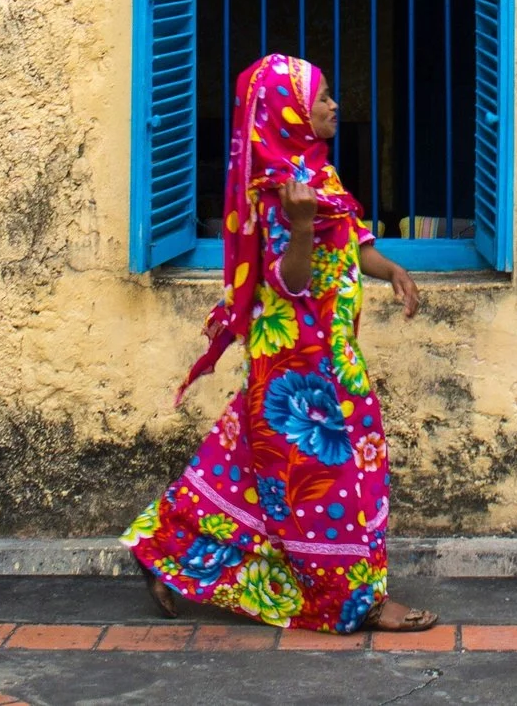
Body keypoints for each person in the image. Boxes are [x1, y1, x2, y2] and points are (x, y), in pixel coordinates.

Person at [124, 53, 440, 632]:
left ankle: (163, 548)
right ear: (287, 110)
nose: (332, 105)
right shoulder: (277, 189)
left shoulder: (318, 172)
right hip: (299, 365)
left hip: (332, 349)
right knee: (336, 477)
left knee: (245, 462)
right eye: (320, 97)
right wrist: (298, 226)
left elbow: (350, 244)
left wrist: (391, 268)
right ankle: (355, 599)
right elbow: (288, 281)